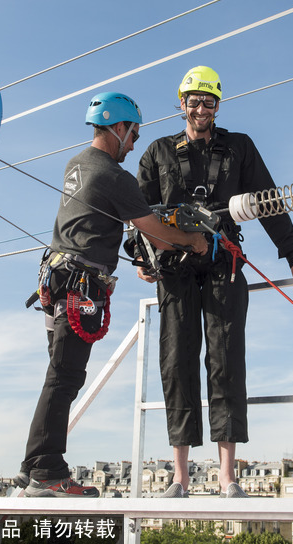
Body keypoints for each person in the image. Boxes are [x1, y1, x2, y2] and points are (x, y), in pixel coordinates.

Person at [135, 66, 293, 498]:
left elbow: (268, 201)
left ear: (218, 105)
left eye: (208, 101)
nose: (200, 108)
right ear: (181, 104)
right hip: (173, 265)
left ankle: (227, 475)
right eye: (192, 101)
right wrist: (143, 255)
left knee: (226, 358)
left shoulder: (239, 148)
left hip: (224, 261)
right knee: (177, 360)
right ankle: (179, 475)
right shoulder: (157, 152)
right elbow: (136, 210)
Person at [16, 92, 208, 497]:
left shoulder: (77, 164)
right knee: (66, 376)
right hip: (80, 285)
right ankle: (47, 470)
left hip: (55, 280)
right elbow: (154, 230)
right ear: (119, 128)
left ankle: (34, 463)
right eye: (134, 133)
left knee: (59, 375)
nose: (136, 143)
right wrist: (191, 240)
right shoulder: (112, 175)